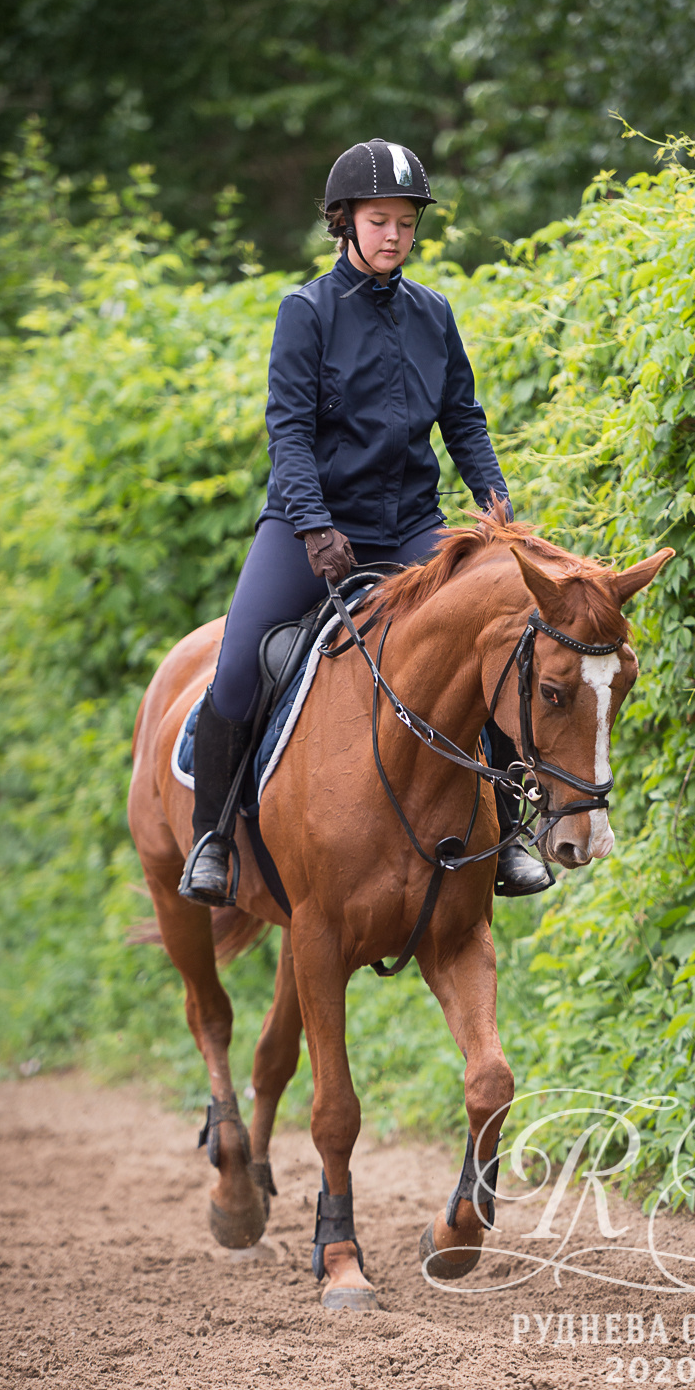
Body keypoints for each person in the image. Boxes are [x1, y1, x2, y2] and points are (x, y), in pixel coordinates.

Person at [180, 137, 552, 905]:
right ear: (344, 222)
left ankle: (512, 833)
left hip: (412, 525)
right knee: (241, 662)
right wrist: (315, 526)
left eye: (406, 223)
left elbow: (464, 421)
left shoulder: (433, 314)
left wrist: (497, 508)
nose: (394, 236)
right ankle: (212, 838)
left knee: (494, 635)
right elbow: (288, 431)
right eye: (379, 221)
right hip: (308, 527)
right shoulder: (306, 312)